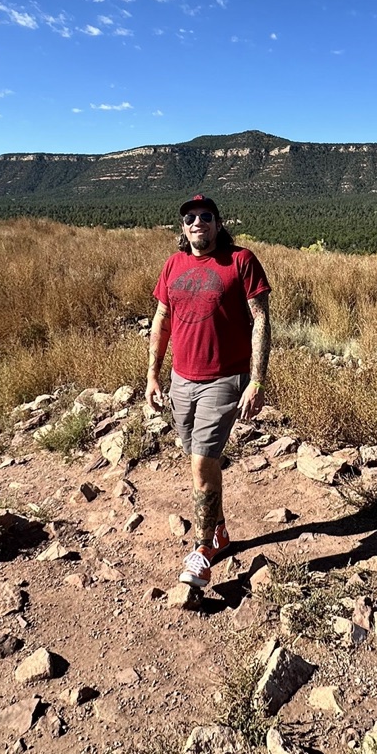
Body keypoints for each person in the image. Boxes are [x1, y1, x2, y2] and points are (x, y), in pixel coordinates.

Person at [146, 194, 271, 590]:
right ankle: (219, 533)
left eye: (205, 216)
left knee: (202, 463)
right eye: (190, 218)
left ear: (218, 223)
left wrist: (257, 380)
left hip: (224, 379)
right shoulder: (173, 264)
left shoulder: (241, 260)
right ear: (183, 228)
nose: (197, 222)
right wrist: (152, 375)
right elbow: (162, 319)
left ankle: (201, 553)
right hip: (181, 380)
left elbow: (261, 320)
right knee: (201, 463)